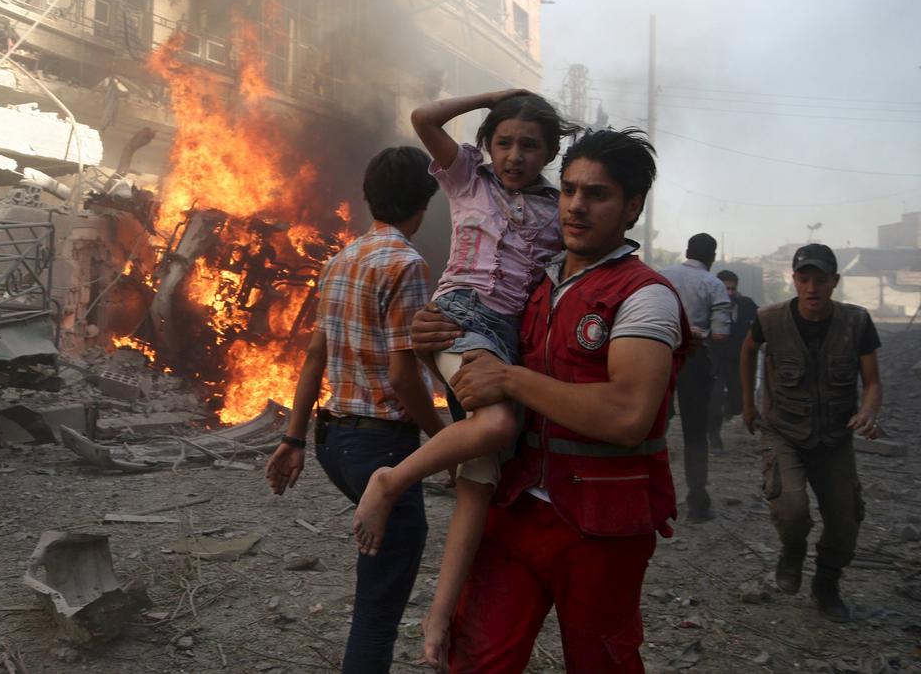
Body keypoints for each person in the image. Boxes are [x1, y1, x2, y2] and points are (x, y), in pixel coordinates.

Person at [413, 128, 689, 673]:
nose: (576, 207)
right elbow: (477, 380)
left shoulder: (644, 296)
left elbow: (628, 416)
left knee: (599, 663)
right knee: (476, 660)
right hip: (515, 511)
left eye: (598, 194)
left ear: (632, 207)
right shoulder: (532, 287)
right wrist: (434, 346)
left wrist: (511, 379)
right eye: (568, 191)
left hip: (602, 524)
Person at [352, 89, 573, 557]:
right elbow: (423, 117)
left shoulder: (558, 210)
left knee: (483, 470)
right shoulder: (470, 180)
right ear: (488, 144)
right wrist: (495, 97)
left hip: (508, 339)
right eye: (504, 142)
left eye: (530, 145)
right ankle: (392, 481)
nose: (515, 156)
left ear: (551, 152)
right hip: (460, 317)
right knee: (495, 427)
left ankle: (449, 605)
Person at [265, 146, 445, 674]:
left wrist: (293, 440)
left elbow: (315, 355)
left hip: (333, 444)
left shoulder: (340, 260)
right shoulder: (407, 264)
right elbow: (402, 375)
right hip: (381, 447)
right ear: (424, 205)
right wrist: (442, 440)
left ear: (369, 198)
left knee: (379, 577)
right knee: (378, 611)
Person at [739, 244, 883, 622]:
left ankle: (826, 584)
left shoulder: (857, 322)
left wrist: (868, 411)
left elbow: (872, 381)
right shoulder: (769, 318)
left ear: (835, 282)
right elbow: (748, 349)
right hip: (783, 430)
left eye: (821, 280)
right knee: (791, 510)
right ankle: (793, 549)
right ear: (794, 280)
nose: (812, 288)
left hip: (835, 437)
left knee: (845, 521)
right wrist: (749, 404)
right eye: (804, 279)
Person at [661, 234, 731, 521]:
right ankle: (697, 502)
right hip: (694, 361)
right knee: (695, 432)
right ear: (711, 258)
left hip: (658, 356)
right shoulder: (714, 284)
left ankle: (645, 494)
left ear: (686, 251)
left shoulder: (661, 276)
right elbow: (720, 334)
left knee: (651, 426)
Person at [714, 269, 759, 427]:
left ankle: (729, 410)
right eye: (726, 289)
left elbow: (760, 322)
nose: (730, 293)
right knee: (715, 397)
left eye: (733, 289)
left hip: (737, 358)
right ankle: (714, 434)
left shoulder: (746, 304)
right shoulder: (709, 306)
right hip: (716, 359)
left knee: (738, 399)